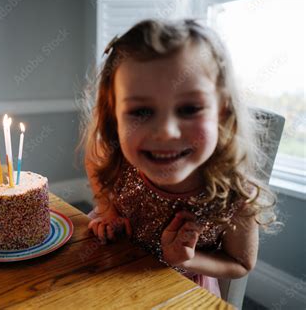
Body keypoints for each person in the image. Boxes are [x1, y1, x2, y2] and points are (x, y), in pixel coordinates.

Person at [79, 19, 279, 297]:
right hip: (110, 273)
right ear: (115, 117)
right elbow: (94, 156)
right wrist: (106, 209)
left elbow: (241, 263)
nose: (166, 133)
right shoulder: (117, 157)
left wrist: (187, 259)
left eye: (189, 108)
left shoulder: (234, 196)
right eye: (141, 112)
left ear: (222, 111)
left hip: (179, 293)